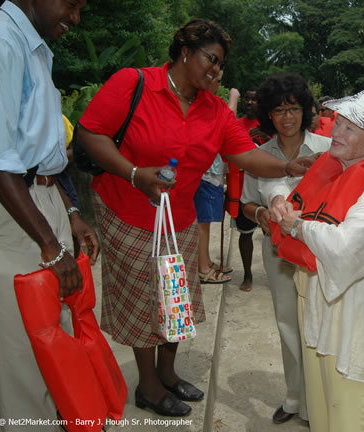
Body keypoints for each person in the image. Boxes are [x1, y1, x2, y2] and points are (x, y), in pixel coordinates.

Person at [76, 18, 312, 417]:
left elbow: (246, 155)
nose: (216, 71)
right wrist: (134, 174)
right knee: (143, 302)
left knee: (174, 300)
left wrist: (287, 168)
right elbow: (89, 132)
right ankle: (147, 387)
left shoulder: (215, 111)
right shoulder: (134, 84)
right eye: (211, 60)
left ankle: (168, 374)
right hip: (126, 213)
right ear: (186, 52)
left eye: (221, 65)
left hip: (179, 219)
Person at [271, 89, 364, 432]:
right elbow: (284, 182)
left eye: (350, 128)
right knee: (321, 404)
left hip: (347, 308)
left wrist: (297, 226)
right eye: (338, 123)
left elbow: (343, 249)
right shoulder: (335, 168)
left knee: (346, 404)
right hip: (314, 299)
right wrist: (279, 200)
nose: (336, 133)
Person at [0, 0, 100, 429]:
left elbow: (40, 154)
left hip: (42, 203)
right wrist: (51, 248)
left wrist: (69, 211)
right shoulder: (0, 40)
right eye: (71, 4)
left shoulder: (33, 46)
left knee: (55, 346)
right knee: (23, 356)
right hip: (13, 215)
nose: (75, 18)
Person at [241, 72, 331, 425]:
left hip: (319, 251)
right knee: (288, 323)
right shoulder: (258, 156)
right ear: (268, 115)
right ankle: (295, 398)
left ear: (305, 109)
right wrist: (262, 212)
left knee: (319, 323)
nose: (287, 117)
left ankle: (320, 402)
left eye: (293, 108)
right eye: (279, 111)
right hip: (278, 253)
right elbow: (246, 204)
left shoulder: (326, 151)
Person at [194, 74, 237, 284]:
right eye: (216, 79)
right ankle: (203, 269)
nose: (218, 84)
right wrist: (234, 99)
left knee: (205, 223)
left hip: (212, 173)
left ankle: (206, 261)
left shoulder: (209, 105)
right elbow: (227, 124)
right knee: (202, 223)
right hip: (206, 174)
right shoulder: (202, 107)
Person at [227, 88, 271, 292]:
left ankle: (275, 274)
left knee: (272, 233)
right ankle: (247, 275)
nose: (250, 102)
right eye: (248, 99)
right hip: (243, 188)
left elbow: (281, 152)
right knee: (245, 234)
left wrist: (268, 136)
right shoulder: (237, 125)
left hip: (268, 186)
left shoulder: (270, 125)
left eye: (255, 99)